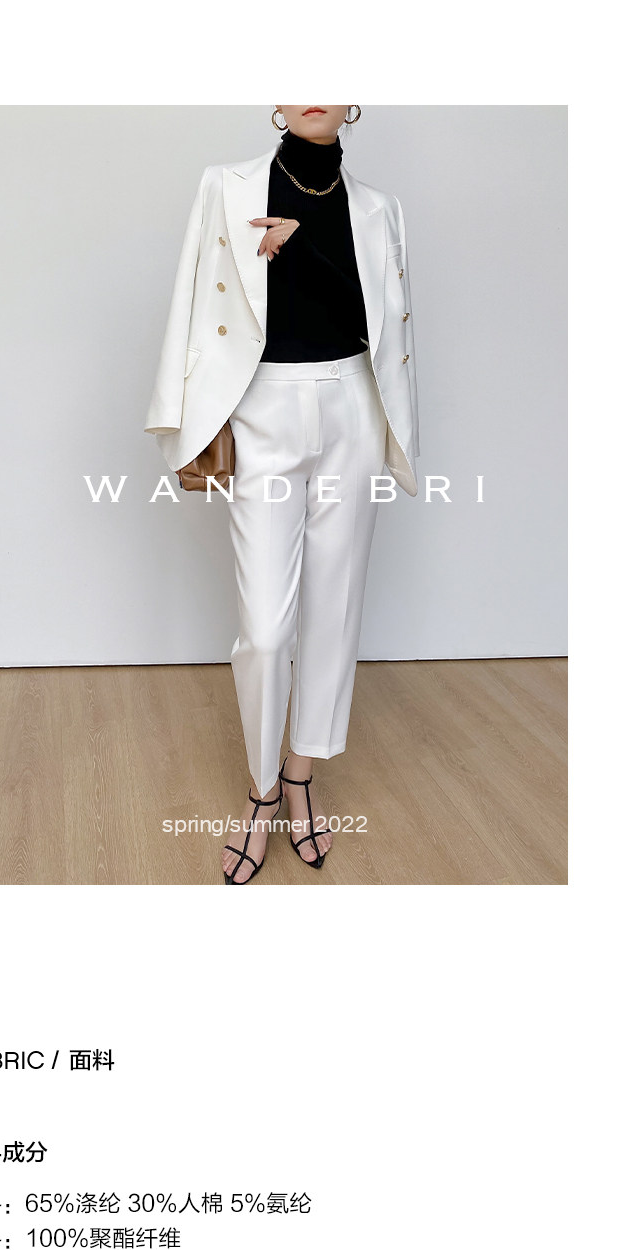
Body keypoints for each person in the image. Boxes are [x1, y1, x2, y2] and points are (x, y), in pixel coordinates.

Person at [144, 106, 420, 883]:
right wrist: (180, 416)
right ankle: (261, 789)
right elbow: (193, 298)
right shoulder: (224, 186)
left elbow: (386, 328)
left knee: (335, 605)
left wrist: (306, 245)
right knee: (265, 630)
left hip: (353, 404)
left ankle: (299, 775)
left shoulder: (381, 209)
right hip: (261, 404)